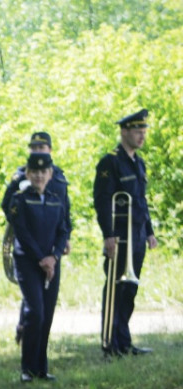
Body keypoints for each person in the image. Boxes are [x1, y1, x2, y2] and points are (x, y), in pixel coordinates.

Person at [93, 108, 157, 356]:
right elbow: (102, 201)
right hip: (119, 236)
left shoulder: (138, 163)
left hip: (138, 235)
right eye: (137, 131)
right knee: (115, 290)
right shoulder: (110, 162)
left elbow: (140, 200)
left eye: (144, 131)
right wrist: (108, 234)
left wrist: (149, 231)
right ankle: (109, 344)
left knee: (130, 289)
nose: (142, 135)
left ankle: (124, 341)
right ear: (124, 132)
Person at [1, 131, 72, 345]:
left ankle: (35, 348)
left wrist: (64, 239)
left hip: (51, 245)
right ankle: (25, 330)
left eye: (42, 148)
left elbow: (64, 211)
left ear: (50, 150)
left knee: (45, 298)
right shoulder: (21, 176)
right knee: (33, 296)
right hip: (29, 244)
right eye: (34, 148)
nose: (38, 151)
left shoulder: (58, 176)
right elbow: (7, 206)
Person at [6, 151, 68, 382]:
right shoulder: (19, 199)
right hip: (28, 262)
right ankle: (27, 368)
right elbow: (22, 232)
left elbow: (63, 231)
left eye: (44, 172)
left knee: (48, 314)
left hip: (51, 263)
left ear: (50, 174)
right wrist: (42, 259)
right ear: (28, 173)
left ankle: (41, 368)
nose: (40, 176)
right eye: (35, 172)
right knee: (35, 312)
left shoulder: (55, 198)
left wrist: (54, 256)